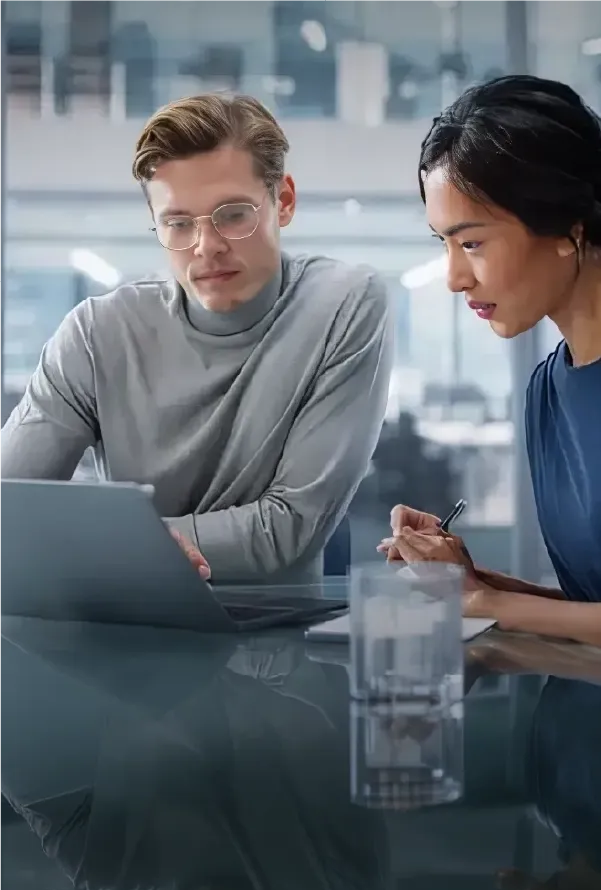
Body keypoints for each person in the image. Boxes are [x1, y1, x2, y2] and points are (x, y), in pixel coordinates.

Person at [0, 94, 393, 584]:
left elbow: (288, 530)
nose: (206, 247)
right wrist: (139, 549)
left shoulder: (345, 303)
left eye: (233, 214)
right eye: (178, 223)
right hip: (125, 622)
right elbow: (9, 511)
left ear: (283, 201)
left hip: (280, 637)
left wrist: (115, 545)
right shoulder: (96, 333)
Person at [379, 75, 601, 647]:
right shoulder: (547, 391)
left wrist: (490, 602)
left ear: (567, 226)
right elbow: (588, 612)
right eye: (444, 244)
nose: (454, 278)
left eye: (472, 243)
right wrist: (472, 585)